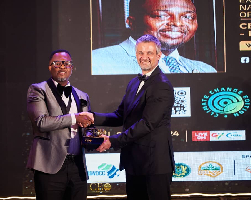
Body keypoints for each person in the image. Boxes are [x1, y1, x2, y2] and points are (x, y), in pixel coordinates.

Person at [94, 35, 175, 200]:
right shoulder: (133, 83)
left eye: (149, 53)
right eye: (140, 52)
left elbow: (147, 124)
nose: (144, 57)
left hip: (154, 165)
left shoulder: (162, 85)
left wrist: (113, 141)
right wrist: (92, 118)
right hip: (134, 162)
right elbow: (120, 116)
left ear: (159, 56)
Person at [26, 49, 94, 200]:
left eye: (66, 63)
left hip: (77, 166)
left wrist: (95, 136)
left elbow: (86, 126)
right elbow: (41, 122)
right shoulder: (37, 90)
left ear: (72, 68)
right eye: (57, 63)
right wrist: (74, 118)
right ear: (50, 67)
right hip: (49, 166)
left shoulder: (82, 95)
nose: (62, 66)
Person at [92, 0, 217, 75]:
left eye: (188, 17)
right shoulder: (98, 62)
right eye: (161, 15)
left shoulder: (206, 70)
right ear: (132, 23)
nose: (177, 23)